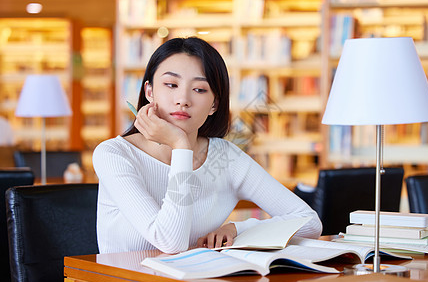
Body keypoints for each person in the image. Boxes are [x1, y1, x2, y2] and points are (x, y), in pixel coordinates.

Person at [93, 37, 322, 254]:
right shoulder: (114, 154)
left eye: (199, 89)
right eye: (171, 84)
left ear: (214, 104)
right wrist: (181, 146)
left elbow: (309, 222)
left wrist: (237, 229)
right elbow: (169, 241)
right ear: (149, 92)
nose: (183, 99)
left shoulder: (225, 156)